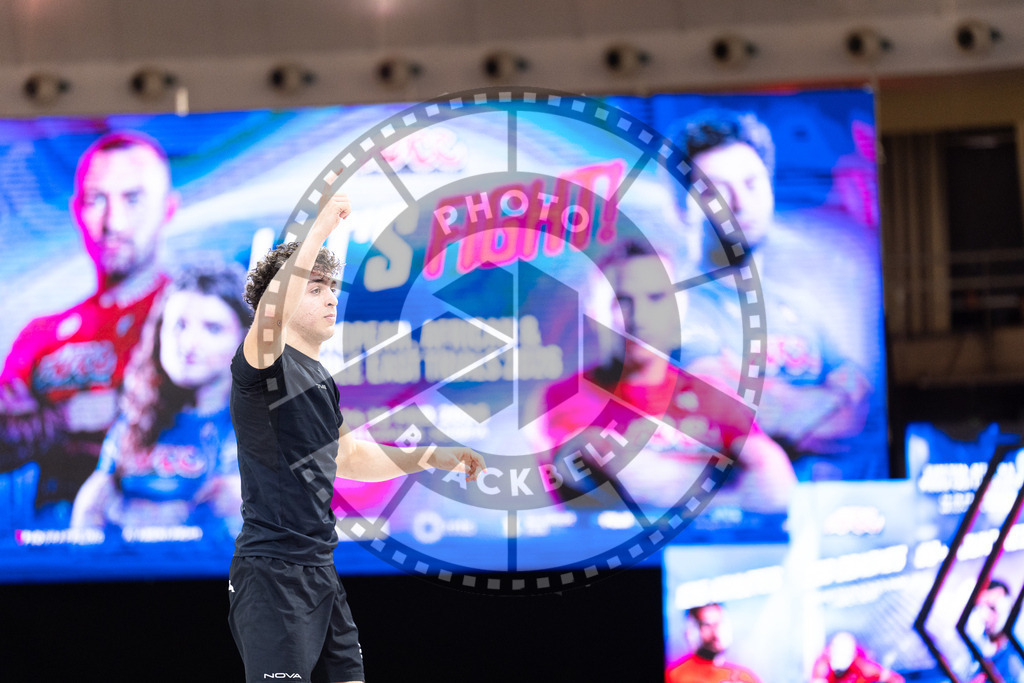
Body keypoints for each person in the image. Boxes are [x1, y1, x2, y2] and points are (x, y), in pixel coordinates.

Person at [227, 173, 485, 683]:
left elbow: (347, 458)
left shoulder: (319, 377)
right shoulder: (262, 362)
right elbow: (275, 310)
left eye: (331, 288)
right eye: (315, 287)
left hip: (320, 573)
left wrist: (429, 456)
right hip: (271, 575)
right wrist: (321, 225)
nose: (330, 298)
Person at [673, 109, 880, 479]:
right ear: (682, 207)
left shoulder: (796, 306)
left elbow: (860, 411)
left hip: (834, 518)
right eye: (718, 190)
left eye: (752, 183)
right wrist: (824, 401)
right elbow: (735, 414)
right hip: (727, 526)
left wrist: (782, 407)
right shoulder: (673, 308)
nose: (740, 203)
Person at [536, 240, 796, 513]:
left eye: (656, 298)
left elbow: (776, 483)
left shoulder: (711, 395)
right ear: (593, 311)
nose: (640, 317)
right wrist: (732, 495)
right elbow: (627, 483)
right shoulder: (568, 398)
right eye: (621, 301)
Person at [0, 131, 178, 512]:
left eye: (132, 199)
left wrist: (39, 421)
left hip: (174, 548)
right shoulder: (41, 335)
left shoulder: (200, 320)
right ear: (76, 211)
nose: (112, 221)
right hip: (52, 557)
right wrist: (70, 417)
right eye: (96, 199)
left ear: (168, 209)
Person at [70, 260, 251, 537]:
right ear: (159, 334)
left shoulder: (261, 425)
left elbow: (233, 514)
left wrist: (127, 512)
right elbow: (88, 514)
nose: (188, 344)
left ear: (245, 339)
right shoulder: (136, 419)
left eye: (212, 328)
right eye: (178, 325)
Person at [667, 602, 762, 683]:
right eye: (707, 625)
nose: (716, 632)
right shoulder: (676, 675)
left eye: (720, 623)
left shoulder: (744, 677)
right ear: (691, 631)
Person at [964, 579, 1024, 683]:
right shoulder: (975, 651)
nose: (984, 616)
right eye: (980, 608)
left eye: (992, 608)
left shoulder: (1016, 657)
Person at [810, 631, 905, 683]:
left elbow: (895, 679)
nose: (840, 656)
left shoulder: (864, 668)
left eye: (844, 653)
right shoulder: (823, 667)